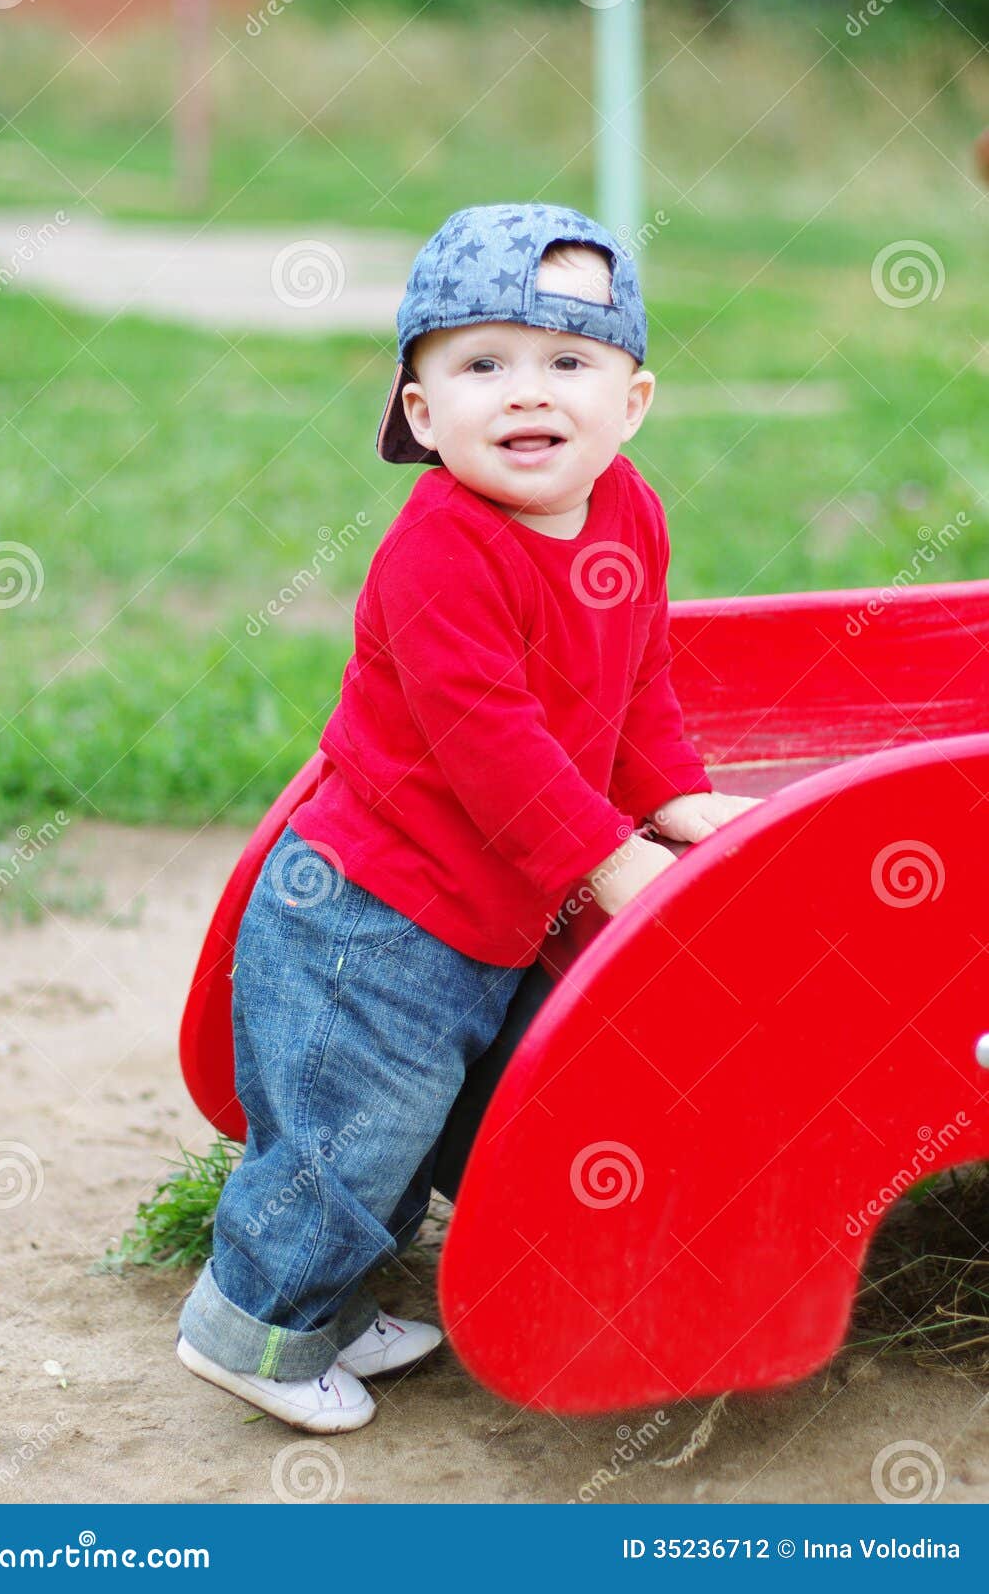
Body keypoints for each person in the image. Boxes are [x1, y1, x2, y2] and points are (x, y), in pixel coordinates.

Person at [176, 202, 759, 1433]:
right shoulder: (442, 551)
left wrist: (668, 788)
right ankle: (251, 1327)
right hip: (368, 919)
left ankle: (329, 1303)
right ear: (423, 412)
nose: (527, 390)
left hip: (477, 915)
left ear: (631, 402)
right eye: (482, 363)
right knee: (348, 1137)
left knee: (408, 1125)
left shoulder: (627, 511)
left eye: (567, 361)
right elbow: (488, 745)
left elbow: (634, 673)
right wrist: (608, 859)